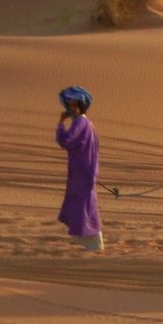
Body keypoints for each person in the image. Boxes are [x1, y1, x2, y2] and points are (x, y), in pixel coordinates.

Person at [55, 85, 104, 252]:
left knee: (84, 205)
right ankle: (89, 241)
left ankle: (93, 243)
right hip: (82, 171)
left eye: (75, 105)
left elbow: (65, 141)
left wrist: (61, 124)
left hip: (83, 172)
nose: (71, 108)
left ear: (81, 106)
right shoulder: (84, 122)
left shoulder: (81, 122)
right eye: (69, 105)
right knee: (83, 203)